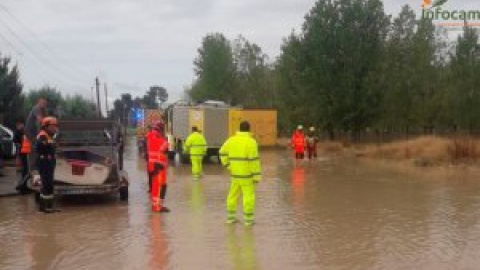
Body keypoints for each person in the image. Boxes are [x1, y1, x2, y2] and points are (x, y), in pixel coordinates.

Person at [220, 121, 261, 226]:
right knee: (248, 196)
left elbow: (222, 152)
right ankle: (248, 220)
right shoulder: (251, 142)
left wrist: (228, 166)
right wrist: (256, 176)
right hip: (247, 176)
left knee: (232, 195)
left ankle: (230, 218)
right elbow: (254, 161)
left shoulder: (231, 140)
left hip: (235, 175)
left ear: (239, 129)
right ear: (249, 129)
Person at [36, 116, 59, 213]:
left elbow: (51, 148)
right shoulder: (42, 136)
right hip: (44, 163)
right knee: (46, 184)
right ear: (46, 126)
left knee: (49, 185)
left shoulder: (49, 136)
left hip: (49, 163)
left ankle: (49, 207)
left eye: (55, 126)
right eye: (53, 126)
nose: (55, 128)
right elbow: (43, 148)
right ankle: (44, 208)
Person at [146, 121, 170, 213]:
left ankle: (157, 205)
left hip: (154, 165)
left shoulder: (150, 136)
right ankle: (157, 207)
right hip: (158, 165)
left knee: (158, 186)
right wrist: (167, 141)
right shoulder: (157, 137)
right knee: (159, 187)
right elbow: (165, 147)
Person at [25, 97, 47, 172]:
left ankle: (35, 168)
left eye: (45, 103)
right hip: (31, 133)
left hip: (34, 133)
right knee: (34, 149)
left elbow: (42, 122)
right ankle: (32, 170)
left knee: (37, 148)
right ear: (38, 102)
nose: (44, 105)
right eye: (42, 103)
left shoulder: (42, 110)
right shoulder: (36, 108)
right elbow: (40, 120)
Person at [14, 119, 32, 193]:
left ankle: (23, 186)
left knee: (26, 171)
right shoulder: (17, 133)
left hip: (26, 153)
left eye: (22, 124)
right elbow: (16, 142)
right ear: (18, 125)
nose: (22, 126)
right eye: (20, 125)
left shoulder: (23, 132)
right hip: (23, 154)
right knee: (26, 171)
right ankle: (21, 186)